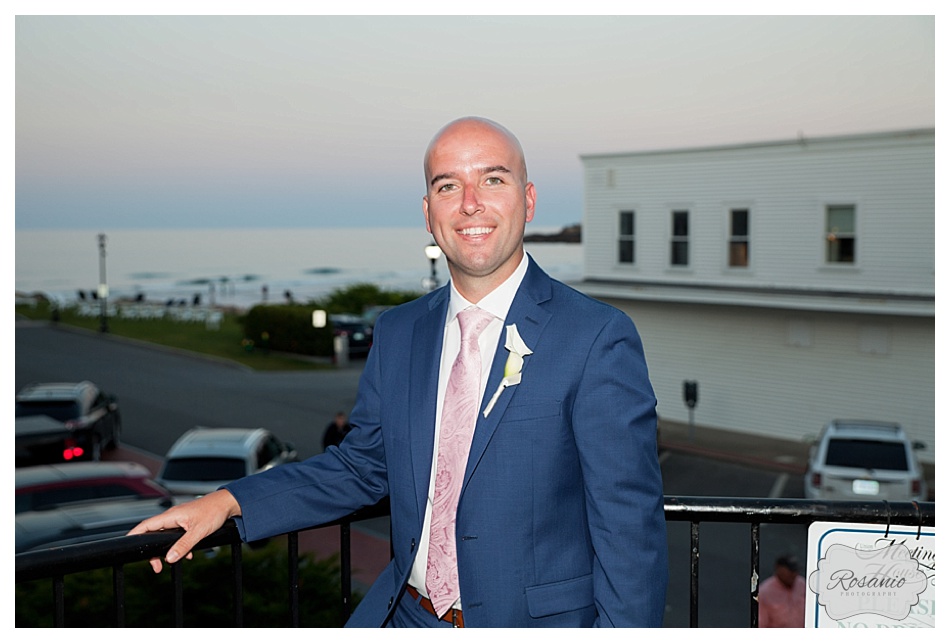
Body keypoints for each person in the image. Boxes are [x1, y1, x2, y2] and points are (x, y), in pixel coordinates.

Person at [129, 116, 668, 627]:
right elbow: (362, 467)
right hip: (407, 615)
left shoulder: (596, 337)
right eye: (448, 186)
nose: (471, 204)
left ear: (527, 200)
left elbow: (629, 533)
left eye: (493, 179)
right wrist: (227, 502)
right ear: (429, 211)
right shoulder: (399, 332)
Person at [758, 555, 806, 627]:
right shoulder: (765, 592)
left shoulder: (802, 585)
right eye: (790, 571)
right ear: (779, 569)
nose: (793, 574)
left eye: (795, 570)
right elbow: (761, 624)